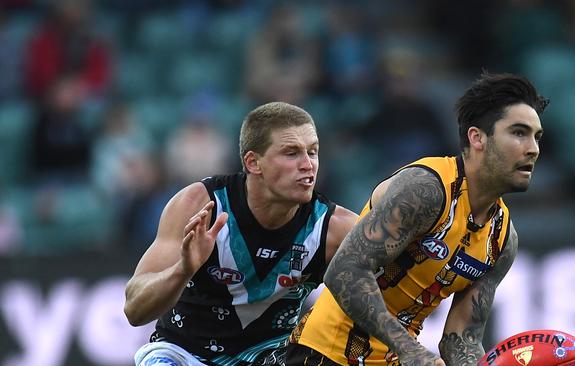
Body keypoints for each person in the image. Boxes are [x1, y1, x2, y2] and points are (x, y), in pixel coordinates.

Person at [285, 72, 549, 366]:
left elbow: (462, 338)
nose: (533, 149)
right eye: (518, 133)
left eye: (537, 137)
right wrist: (411, 350)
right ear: (477, 138)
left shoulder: (502, 239)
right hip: (323, 354)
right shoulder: (427, 189)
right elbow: (344, 271)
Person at [124, 102, 358, 366]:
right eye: (291, 153)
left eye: (313, 152)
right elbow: (134, 310)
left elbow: (382, 300)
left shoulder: (337, 230)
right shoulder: (199, 205)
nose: (308, 165)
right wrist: (183, 269)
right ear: (253, 162)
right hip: (182, 356)